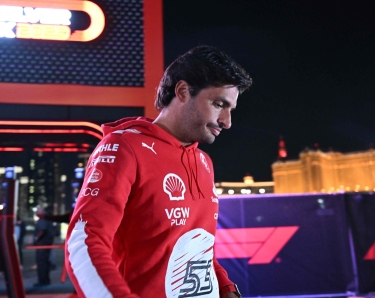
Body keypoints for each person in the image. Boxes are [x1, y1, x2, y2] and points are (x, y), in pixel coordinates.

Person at [64, 45, 252, 298]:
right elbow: (84, 241)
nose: (227, 122)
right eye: (219, 104)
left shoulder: (204, 162)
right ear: (183, 91)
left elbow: (193, 247)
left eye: (231, 110)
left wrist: (225, 287)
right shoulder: (123, 147)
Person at [33, 207, 54, 287]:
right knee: (45, 262)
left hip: (42, 244)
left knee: (41, 262)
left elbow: (42, 230)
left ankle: (43, 281)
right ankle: (46, 280)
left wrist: (36, 239)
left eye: (37, 211)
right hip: (46, 243)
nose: (36, 213)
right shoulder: (47, 219)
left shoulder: (42, 220)